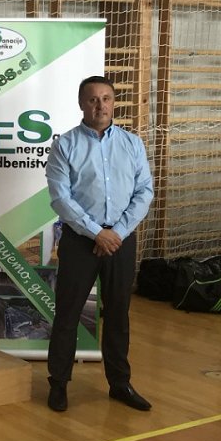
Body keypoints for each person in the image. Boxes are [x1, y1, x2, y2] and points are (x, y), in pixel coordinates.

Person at [45, 76, 153, 412]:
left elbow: (144, 191)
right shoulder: (65, 145)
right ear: (82, 104)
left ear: (114, 102)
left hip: (120, 240)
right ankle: (58, 384)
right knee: (68, 314)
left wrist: (115, 232)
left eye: (106, 98)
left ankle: (120, 384)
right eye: (93, 99)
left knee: (118, 314)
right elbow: (60, 198)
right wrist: (96, 233)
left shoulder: (132, 144)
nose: (100, 105)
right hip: (80, 242)